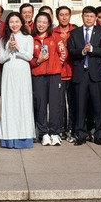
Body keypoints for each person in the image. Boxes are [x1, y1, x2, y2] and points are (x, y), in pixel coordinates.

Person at [67, 6, 101, 146]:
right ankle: (81, 134)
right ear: (82, 17)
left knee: (98, 106)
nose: (89, 19)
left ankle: (98, 135)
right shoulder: (75, 33)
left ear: (95, 18)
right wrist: (82, 51)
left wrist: (91, 49)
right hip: (81, 73)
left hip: (96, 75)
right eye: (86, 16)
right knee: (80, 106)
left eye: (91, 16)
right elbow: (71, 51)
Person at [0, 12, 35, 148]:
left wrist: (18, 48)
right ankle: (9, 138)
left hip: (23, 73)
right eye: (11, 22)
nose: (14, 24)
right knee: (9, 103)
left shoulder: (28, 38)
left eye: (17, 22)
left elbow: (29, 57)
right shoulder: (3, 40)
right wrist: (8, 49)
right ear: (8, 24)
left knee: (23, 102)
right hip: (8, 73)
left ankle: (24, 138)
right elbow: (1, 59)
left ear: (21, 23)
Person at [31, 11, 64, 146]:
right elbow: (29, 58)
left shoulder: (55, 37)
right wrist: (37, 62)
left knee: (55, 105)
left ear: (49, 24)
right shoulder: (31, 39)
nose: (41, 25)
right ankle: (43, 133)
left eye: (44, 22)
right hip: (38, 76)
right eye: (39, 22)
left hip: (54, 76)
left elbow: (63, 53)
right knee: (40, 105)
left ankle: (54, 132)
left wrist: (55, 65)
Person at [53, 6, 75, 141]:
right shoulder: (53, 33)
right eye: (61, 15)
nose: (64, 17)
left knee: (73, 103)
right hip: (59, 73)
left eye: (66, 14)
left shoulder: (76, 31)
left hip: (73, 72)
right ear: (57, 17)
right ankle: (61, 128)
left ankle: (71, 128)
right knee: (60, 104)